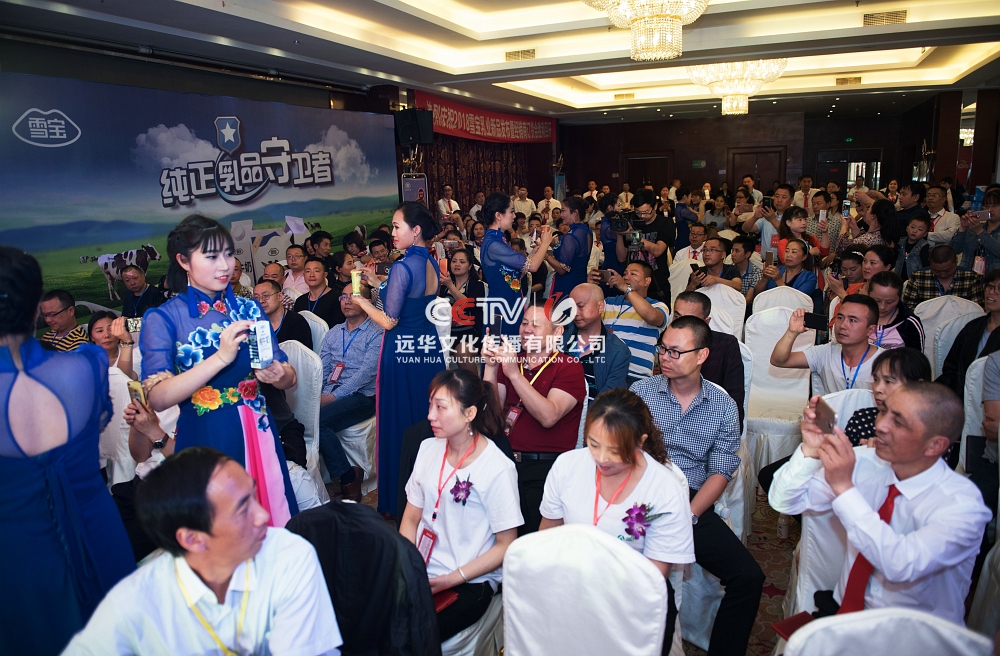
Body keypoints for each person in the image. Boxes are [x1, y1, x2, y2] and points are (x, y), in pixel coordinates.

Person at [64, 447, 342, 655]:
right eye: (242, 510)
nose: (262, 515)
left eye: (253, 496)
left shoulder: (288, 554)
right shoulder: (136, 601)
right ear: (193, 539)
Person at [0, 247, 135, 656]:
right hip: (99, 532)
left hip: (19, 557)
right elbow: (98, 423)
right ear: (35, 308)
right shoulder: (87, 364)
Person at [769, 383, 991, 625]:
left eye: (899, 422)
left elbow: (900, 564)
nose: (881, 426)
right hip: (842, 613)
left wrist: (844, 488)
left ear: (935, 445)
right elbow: (784, 501)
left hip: (911, 634)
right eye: (884, 412)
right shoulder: (865, 463)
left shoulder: (963, 505)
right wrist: (810, 450)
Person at [139, 214, 299, 527]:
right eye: (211, 257)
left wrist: (280, 375)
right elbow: (157, 397)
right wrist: (221, 358)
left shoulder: (249, 308)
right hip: (205, 433)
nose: (225, 265)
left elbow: (288, 374)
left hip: (258, 427)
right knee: (221, 524)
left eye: (228, 254)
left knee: (272, 515)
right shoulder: (164, 318)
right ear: (183, 261)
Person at [630, 316, 764, 656]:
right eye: (663, 349)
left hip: (689, 500)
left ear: (702, 355)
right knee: (648, 583)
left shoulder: (722, 405)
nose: (665, 357)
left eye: (676, 351)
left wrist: (688, 515)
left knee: (748, 577)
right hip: (640, 496)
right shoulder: (640, 394)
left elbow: (721, 469)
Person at [539, 389, 695, 650]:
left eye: (615, 450)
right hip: (572, 585)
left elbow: (655, 574)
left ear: (640, 442)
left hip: (634, 598)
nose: (602, 459)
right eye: (594, 444)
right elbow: (546, 538)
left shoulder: (664, 487)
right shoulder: (567, 466)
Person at [400, 369, 522, 642]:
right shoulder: (428, 448)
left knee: (413, 635)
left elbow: (506, 544)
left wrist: (453, 578)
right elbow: (411, 518)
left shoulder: (497, 468)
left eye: (441, 407)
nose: (431, 416)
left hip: (470, 579)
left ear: (470, 413)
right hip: (422, 568)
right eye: (430, 405)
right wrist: (409, 563)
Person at [351, 201, 447, 517]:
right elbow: (410, 299)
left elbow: (389, 320)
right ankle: (432, 494)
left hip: (402, 353)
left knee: (403, 423)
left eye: (396, 226)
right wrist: (380, 283)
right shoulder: (428, 261)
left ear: (415, 230)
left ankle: (403, 502)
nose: (392, 232)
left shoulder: (403, 267)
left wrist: (361, 301)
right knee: (426, 418)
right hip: (426, 348)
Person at [758, 348, 933, 494]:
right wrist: (816, 447)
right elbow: (844, 463)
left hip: (892, 499)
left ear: (917, 385)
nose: (878, 389)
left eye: (889, 381)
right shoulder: (863, 418)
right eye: (876, 380)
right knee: (776, 480)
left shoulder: (931, 428)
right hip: (850, 487)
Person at [482, 297, 585, 535]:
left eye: (536, 325)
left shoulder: (569, 366)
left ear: (557, 332)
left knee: (530, 543)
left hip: (543, 469)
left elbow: (549, 416)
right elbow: (489, 415)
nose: (527, 329)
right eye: (524, 323)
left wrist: (514, 375)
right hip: (503, 462)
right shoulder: (512, 361)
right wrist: (491, 368)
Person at [317, 287, 382, 503]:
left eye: (353, 297)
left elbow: (365, 374)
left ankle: (348, 477)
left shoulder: (376, 332)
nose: (346, 301)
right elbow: (324, 368)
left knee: (319, 421)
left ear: (367, 301)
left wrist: (331, 398)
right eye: (343, 297)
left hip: (363, 396)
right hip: (332, 391)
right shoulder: (334, 332)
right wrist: (321, 394)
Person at [771, 297, 883, 396]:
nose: (843, 325)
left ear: (871, 330)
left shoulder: (886, 362)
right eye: (840, 317)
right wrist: (792, 332)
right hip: (830, 414)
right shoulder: (825, 352)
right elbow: (779, 361)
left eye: (852, 320)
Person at [478, 192, 554, 336]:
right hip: (502, 305)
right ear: (498, 215)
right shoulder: (493, 243)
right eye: (511, 212)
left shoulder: (498, 239)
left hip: (510, 302)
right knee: (502, 346)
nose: (514, 216)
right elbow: (532, 267)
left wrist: (534, 253)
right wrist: (545, 244)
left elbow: (518, 270)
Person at [672, 291, 746, 426]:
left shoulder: (726, 345)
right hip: (672, 419)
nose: (681, 326)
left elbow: (735, 397)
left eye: (690, 320)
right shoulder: (668, 344)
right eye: (677, 317)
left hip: (711, 422)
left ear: (706, 322)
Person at [598, 261, 671, 383]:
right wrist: (590, 285)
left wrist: (626, 289)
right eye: (625, 273)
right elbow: (585, 318)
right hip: (604, 371)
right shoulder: (609, 302)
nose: (626, 277)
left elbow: (653, 317)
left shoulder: (657, 306)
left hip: (634, 376)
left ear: (647, 281)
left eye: (633, 274)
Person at [936, 269, 1000, 401]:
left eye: (999, 289)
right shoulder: (973, 327)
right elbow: (951, 368)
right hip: (962, 400)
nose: (991, 292)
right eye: (990, 286)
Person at [563, 283, 630, 405]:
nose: (575, 312)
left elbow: (609, 399)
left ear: (600, 307)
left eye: (581, 306)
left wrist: (583, 415)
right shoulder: (560, 334)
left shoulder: (618, 351)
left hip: (591, 414)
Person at [615, 188, 673, 304]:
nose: (642, 216)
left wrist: (633, 235)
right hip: (632, 285)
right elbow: (621, 258)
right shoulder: (630, 221)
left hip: (657, 283)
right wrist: (619, 234)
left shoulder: (665, 223)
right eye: (638, 212)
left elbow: (658, 250)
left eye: (646, 212)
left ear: (655, 206)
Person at [440, 247, 485, 372]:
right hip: (448, 334)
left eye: (462, 262)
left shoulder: (477, 285)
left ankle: (476, 384)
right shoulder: (443, 287)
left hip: (471, 334)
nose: (457, 264)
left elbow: (468, 304)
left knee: (462, 351)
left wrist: (450, 285)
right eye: (454, 261)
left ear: (470, 266)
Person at [902, 244, 984, 310]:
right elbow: (907, 307)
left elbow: (978, 308)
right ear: (930, 263)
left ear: (956, 261)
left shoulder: (970, 277)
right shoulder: (918, 276)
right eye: (937, 271)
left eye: (948, 270)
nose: (943, 274)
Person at [545, 196, 592, 299]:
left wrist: (545, 255)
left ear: (575, 213)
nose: (561, 215)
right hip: (581, 280)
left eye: (563, 211)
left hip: (567, 284)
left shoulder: (570, 237)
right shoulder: (586, 231)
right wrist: (550, 242)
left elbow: (562, 269)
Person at [865, 271, 924, 351]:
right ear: (868, 294)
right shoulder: (857, 315)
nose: (882, 307)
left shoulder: (909, 323)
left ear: (899, 298)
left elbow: (916, 357)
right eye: (877, 301)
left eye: (889, 302)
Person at [954, 188, 1000, 273]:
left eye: (994, 205)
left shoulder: (978, 228)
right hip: (969, 275)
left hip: (994, 277)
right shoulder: (973, 228)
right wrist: (962, 228)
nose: (990, 209)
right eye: (987, 206)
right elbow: (955, 249)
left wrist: (980, 232)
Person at [743, 183, 794, 259]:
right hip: (766, 261)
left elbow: (789, 236)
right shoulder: (767, 216)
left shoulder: (794, 217)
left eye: (784, 197)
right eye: (777, 196)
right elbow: (746, 229)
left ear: (791, 200)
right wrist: (755, 217)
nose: (779, 200)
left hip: (786, 262)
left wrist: (772, 220)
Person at [254, 280, 311, 348]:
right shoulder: (253, 323)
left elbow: (300, 353)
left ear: (280, 296)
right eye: (256, 297)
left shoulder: (297, 323)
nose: (261, 301)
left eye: (266, 296)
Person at [293, 256, 344, 329]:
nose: (312, 275)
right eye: (308, 271)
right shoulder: (300, 301)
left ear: (325, 275)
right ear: (303, 275)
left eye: (316, 271)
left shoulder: (336, 299)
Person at [87, 311, 137, 380]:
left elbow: (125, 380)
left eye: (111, 329)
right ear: (91, 337)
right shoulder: (85, 362)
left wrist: (127, 342)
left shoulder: (134, 354)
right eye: (100, 331)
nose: (107, 335)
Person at [894, 214, 931, 280]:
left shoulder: (924, 246)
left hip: (914, 278)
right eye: (913, 227)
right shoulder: (900, 242)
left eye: (920, 229)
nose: (915, 231)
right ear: (907, 228)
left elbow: (925, 265)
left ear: (925, 234)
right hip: (898, 276)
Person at [731, 235, 762, 306]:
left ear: (747, 254)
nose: (733, 254)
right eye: (732, 250)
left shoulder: (756, 272)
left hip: (747, 307)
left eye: (737, 251)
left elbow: (749, 298)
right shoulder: (729, 269)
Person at [672, 187, 701, 251]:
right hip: (684, 238)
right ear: (685, 197)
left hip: (683, 237)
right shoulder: (683, 210)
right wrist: (701, 206)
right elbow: (699, 219)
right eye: (690, 196)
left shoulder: (680, 208)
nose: (691, 199)